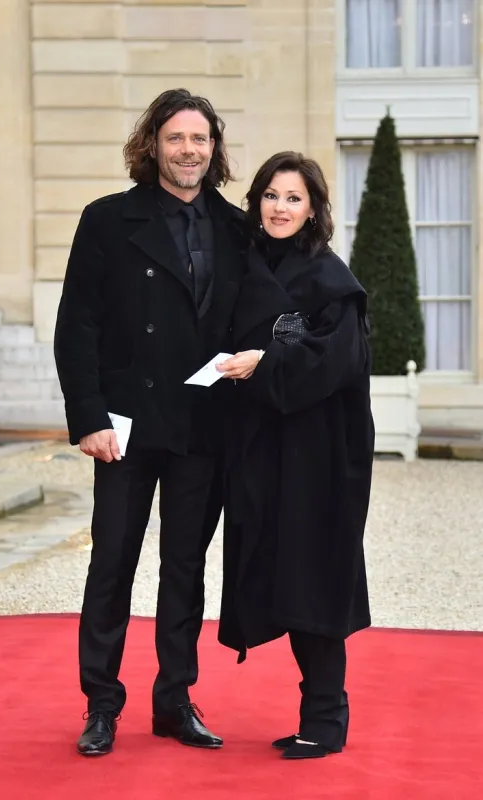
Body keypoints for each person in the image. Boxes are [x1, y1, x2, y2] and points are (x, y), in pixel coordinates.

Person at [54, 89, 246, 756]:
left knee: (185, 570)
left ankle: (174, 702)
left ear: (213, 148)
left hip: (203, 427)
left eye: (199, 139)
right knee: (111, 563)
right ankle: (101, 704)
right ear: (153, 145)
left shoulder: (236, 227)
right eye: (176, 139)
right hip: (125, 426)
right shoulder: (107, 220)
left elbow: (259, 318)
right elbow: (76, 324)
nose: (188, 150)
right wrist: (87, 416)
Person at [216, 151, 374, 760]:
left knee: (316, 577)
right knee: (279, 573)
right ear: (257, 202)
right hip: (263, 450)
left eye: (294, 198)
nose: (280, 208)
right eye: (271, 196)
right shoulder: (247, 266)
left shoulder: (332, 279)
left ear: (314, 209)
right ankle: (316, 714)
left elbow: (339, 362)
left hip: (320, 455)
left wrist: (267, 362)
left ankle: (327, 719)